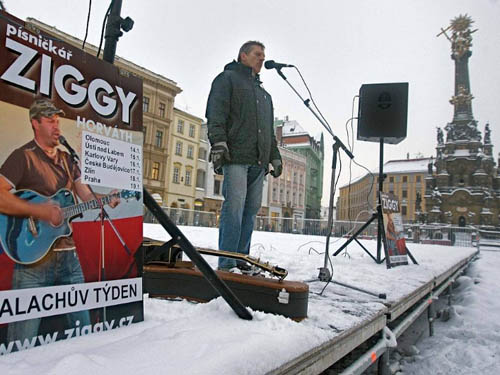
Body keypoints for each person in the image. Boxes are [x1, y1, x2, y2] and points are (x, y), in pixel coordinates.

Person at [0, 98, 119, 343]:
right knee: (21, 343)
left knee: (83, 334)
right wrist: (42, 212)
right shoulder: (22, 157)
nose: (57, 127)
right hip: (33, 263)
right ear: (35, 123)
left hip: (69, 261)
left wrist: (106, 199)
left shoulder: (68, 159)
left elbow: (85, 194)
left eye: (57, 121)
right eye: (49, 121)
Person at [206, 41, 282, 272]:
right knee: (234, 208)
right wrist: (218, 142)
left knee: (250, 211)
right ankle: (227, 262)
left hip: (258, 161)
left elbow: (269, 131)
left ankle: (242, 258)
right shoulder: (226, 79)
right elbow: (215, 113)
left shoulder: (264, 95)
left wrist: (274, 156)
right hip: (236, 156)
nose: (262, 58)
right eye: (257, 54)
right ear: (243, 56)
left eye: (264, 55)